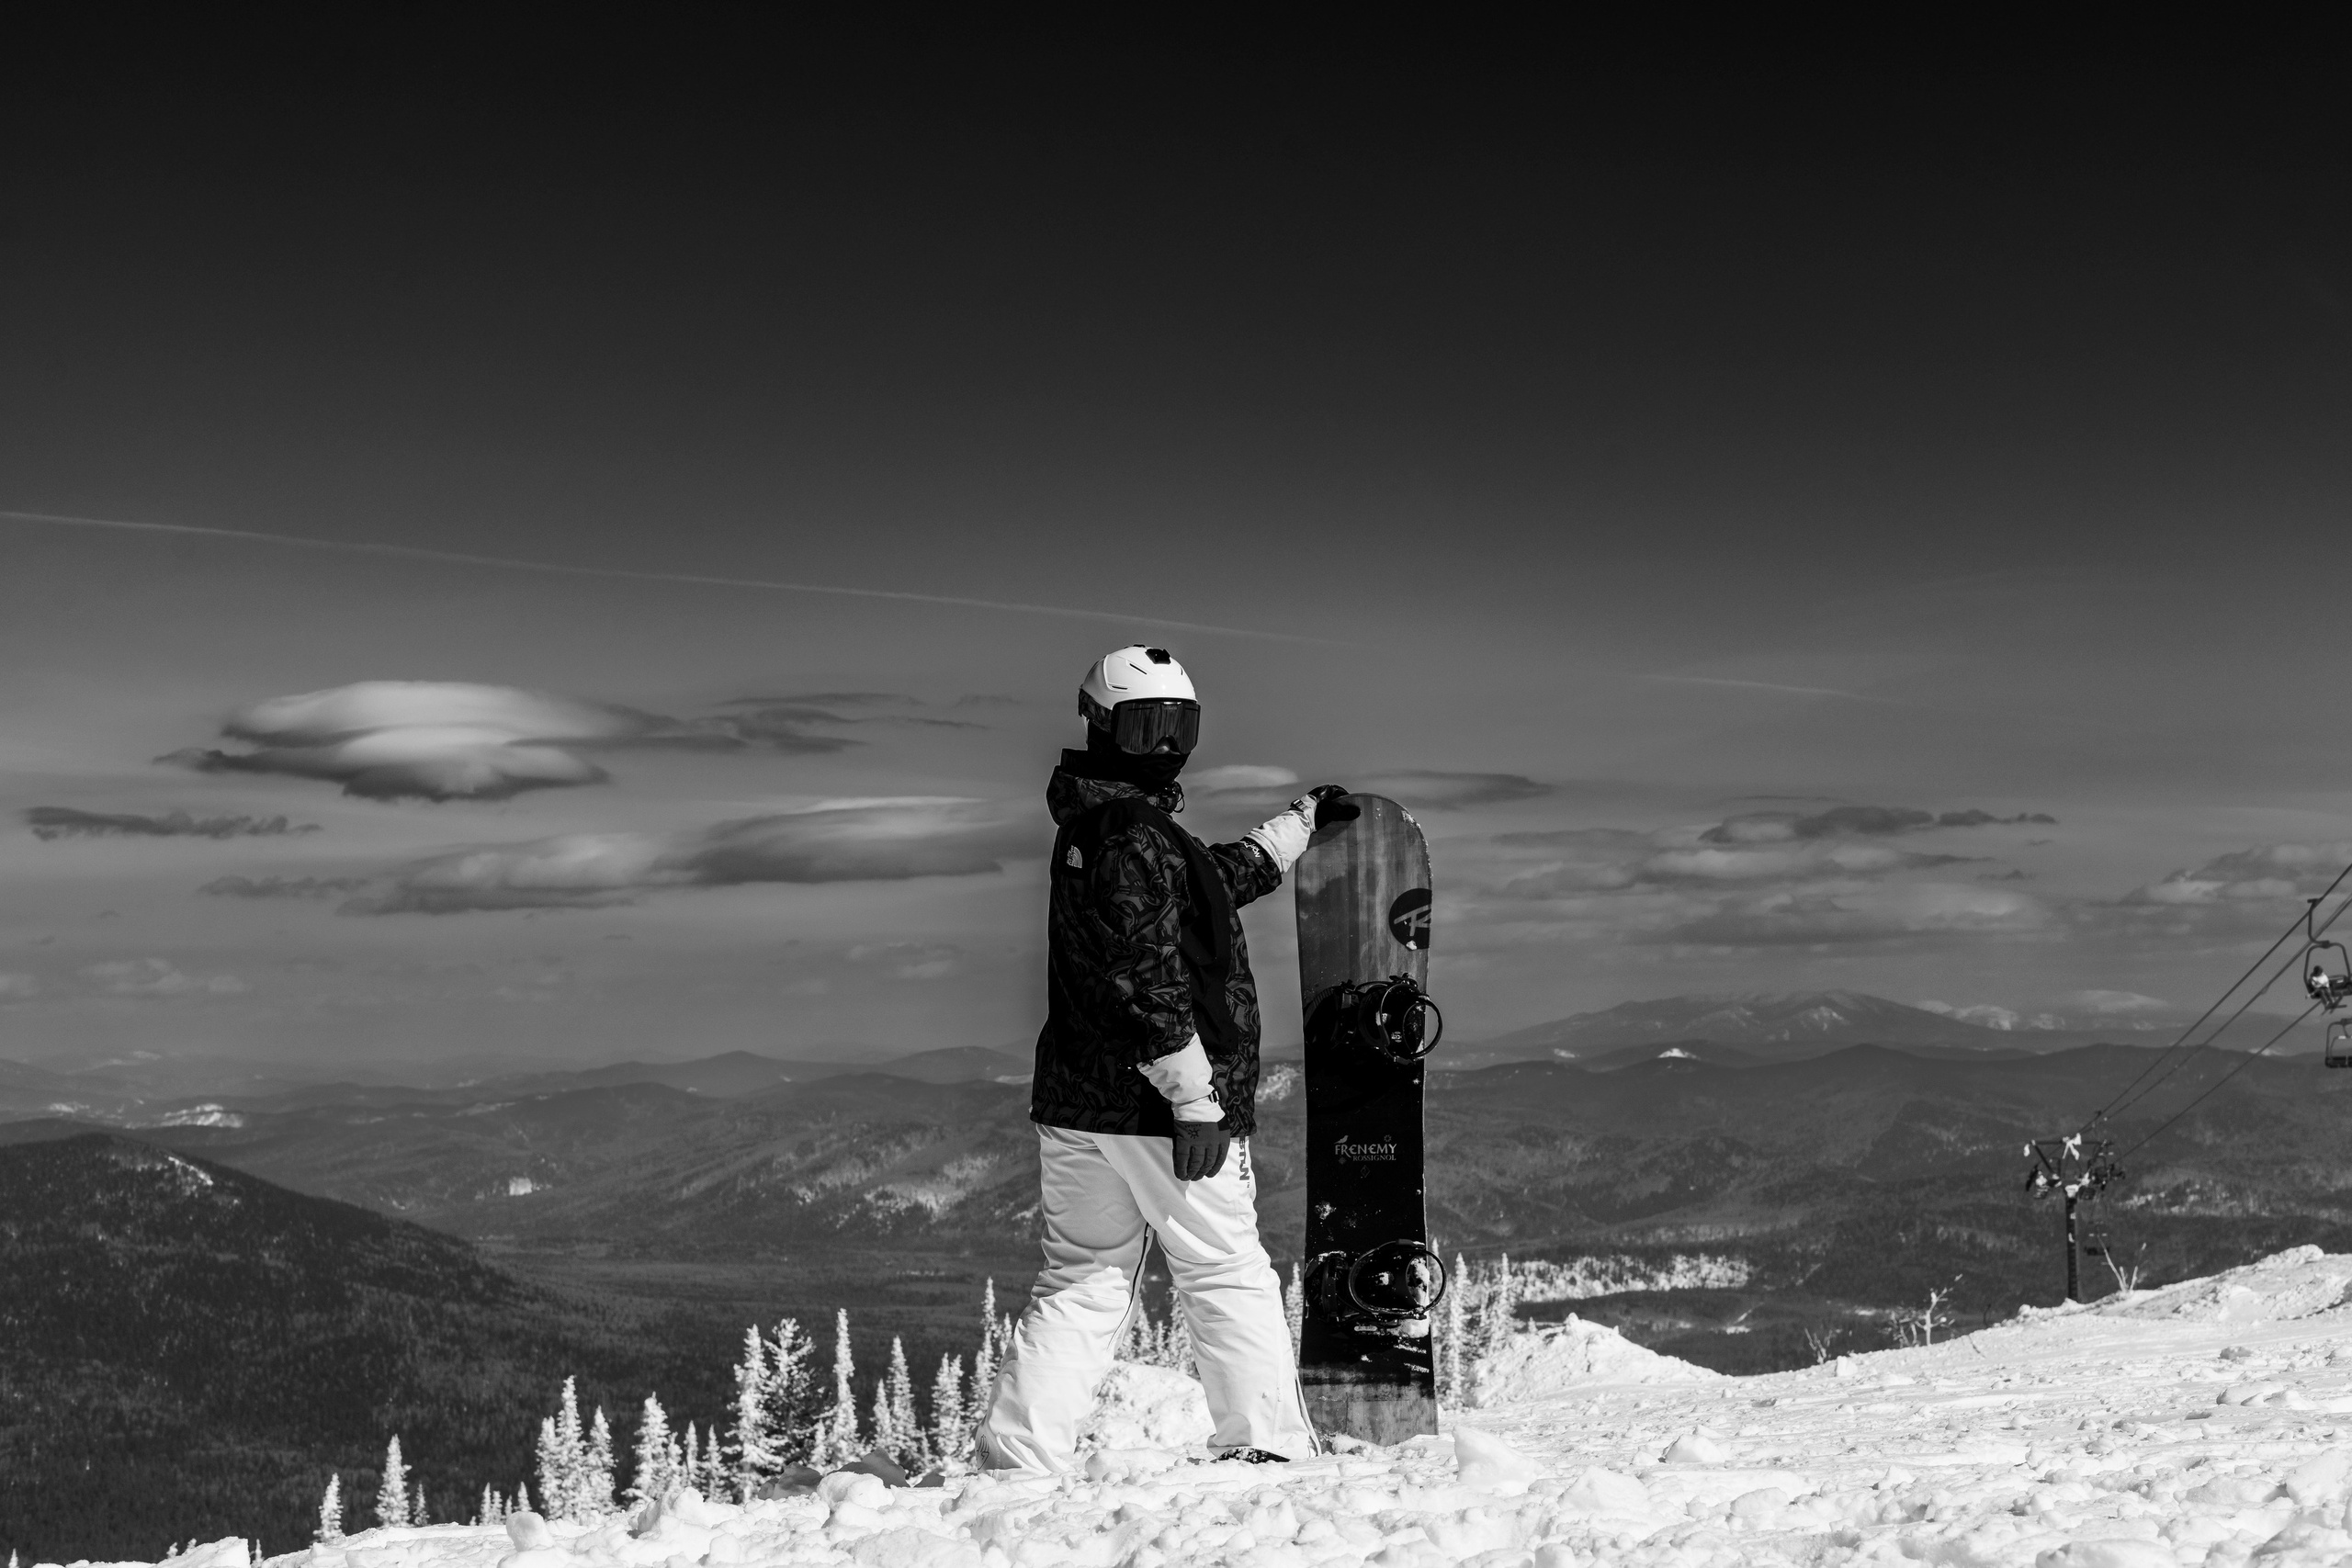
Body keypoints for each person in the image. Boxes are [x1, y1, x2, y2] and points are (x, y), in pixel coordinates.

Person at [975, 645, 1358, 1472]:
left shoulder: (1106, 827)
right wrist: (1194, 1098)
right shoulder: (1128, 835)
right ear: (1102, 725)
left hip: (1080, 1103)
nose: (1164, 745)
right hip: (1158, 1108)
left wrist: (1291, 828)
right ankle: (1263, 1445)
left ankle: (1018, 1458)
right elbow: (1140, 977)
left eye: (1176, 725)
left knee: (1081, 1277)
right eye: (1146, 725)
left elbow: (1205, 886)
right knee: (1224, 1268)